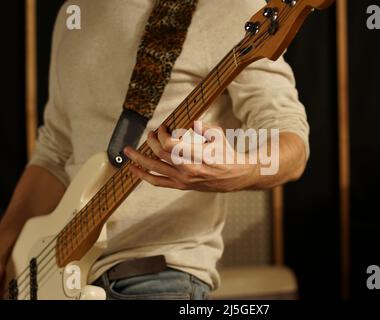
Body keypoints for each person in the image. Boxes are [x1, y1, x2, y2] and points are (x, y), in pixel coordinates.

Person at [0, 0, 309, 299]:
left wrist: (241, 170)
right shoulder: (74, 11)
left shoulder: (230, 7)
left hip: (156, 275)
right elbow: (55, 150)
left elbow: (289, 136)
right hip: (52, 274)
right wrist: (7, 239)